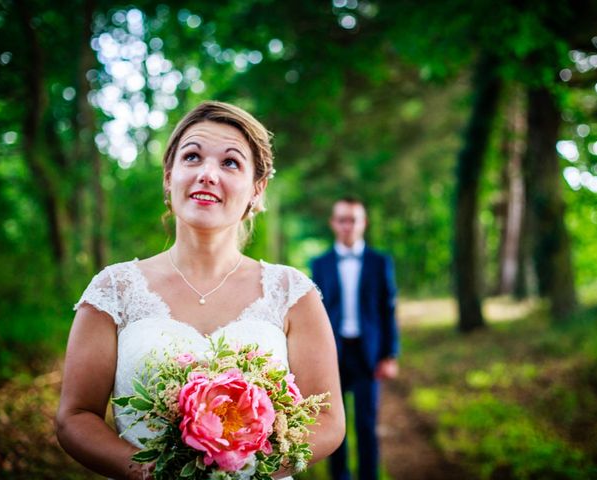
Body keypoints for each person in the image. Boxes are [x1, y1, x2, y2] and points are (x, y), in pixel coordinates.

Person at [56, 101, 345, 480]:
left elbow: (327, 419)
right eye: (192, 157)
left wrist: (248, 468)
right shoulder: (114, 289)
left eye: (230, 163)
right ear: (168, 177)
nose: (208, 174)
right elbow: (75, 417)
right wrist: (156, 472)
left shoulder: (292, 293)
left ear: (257, 190)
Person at [311, 198, 399, 480]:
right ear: (333, 223)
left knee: (366, 424)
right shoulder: (320, 264)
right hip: (331, 355)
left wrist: (390, 354)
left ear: (364, 223)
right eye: (342, 220)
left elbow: (388, 309)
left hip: (368, 353)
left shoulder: (379, 262)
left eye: (353, 219)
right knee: (335, 426)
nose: (348, 226)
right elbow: (315, 315)